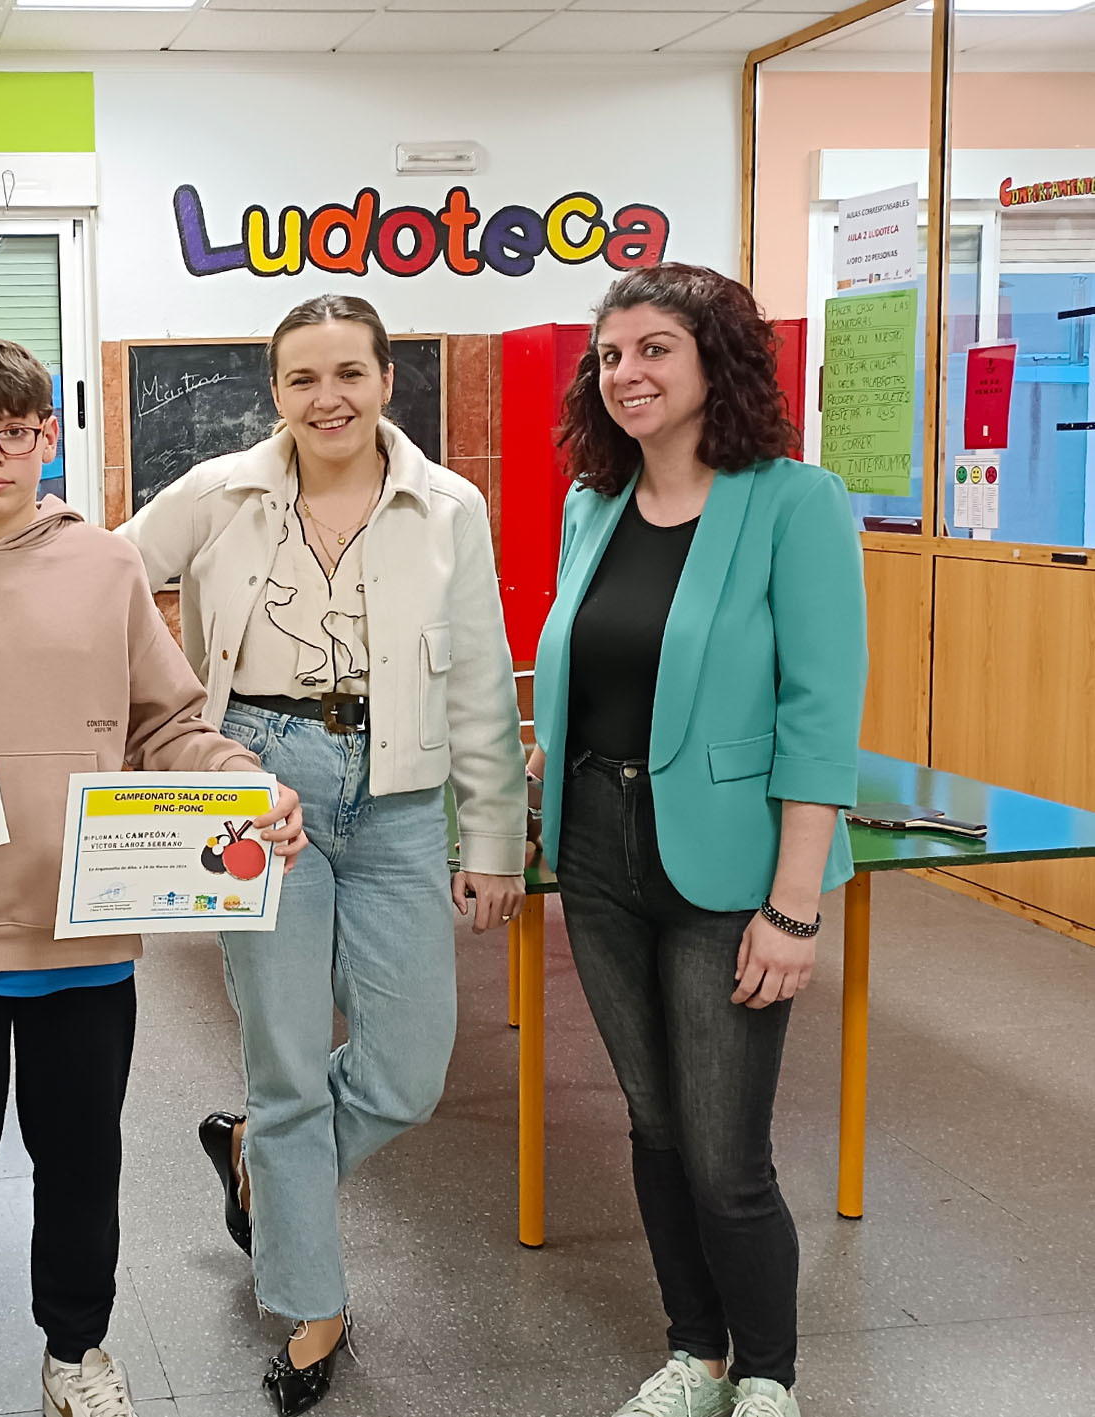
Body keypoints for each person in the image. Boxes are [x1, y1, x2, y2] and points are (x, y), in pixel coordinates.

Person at [0, 335, 306, 1417]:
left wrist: (237, 779)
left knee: (80, 1170)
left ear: (46, 435)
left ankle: (75, 1353)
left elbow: (166, 718)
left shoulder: (105, 565)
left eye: (15, 431)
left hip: (85, 933)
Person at [119, 294, 526, 1415]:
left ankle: (260, 1155)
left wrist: (492, 836)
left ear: (388, 380)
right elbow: (100, 584)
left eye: (348, 372)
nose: (326, 397)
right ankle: (311, 1303)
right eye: (302, 378)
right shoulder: (217, 492)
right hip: (256, 785)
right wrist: (171, 714)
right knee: (289, 1062)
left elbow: (481, 682)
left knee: (405, 1070)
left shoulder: (449, 507)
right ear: (275, 391)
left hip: (400, 798)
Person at [529, 263, 866, 1417]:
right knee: (652, 1122)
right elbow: (589, 668)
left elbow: (819, 715)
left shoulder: (793, 500)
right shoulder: (593, 503)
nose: (625, 373)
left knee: (725, 1154)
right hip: (596, 848)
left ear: (711, 357)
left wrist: (793, 903)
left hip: (730, 865)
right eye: (609, 354)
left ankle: (768, 1371)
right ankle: (697, 1352)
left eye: (653, 348)